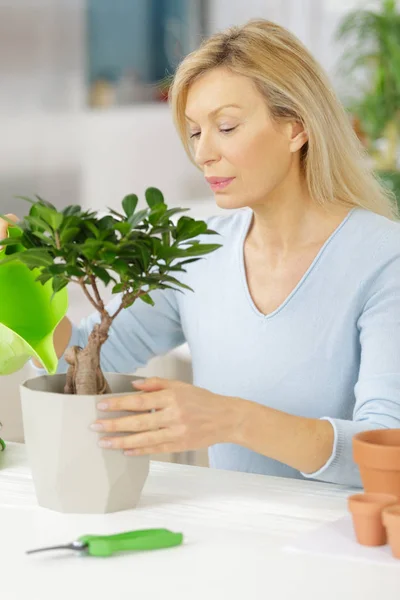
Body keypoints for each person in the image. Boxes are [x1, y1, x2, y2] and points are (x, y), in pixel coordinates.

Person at [2, 19, 400, 487]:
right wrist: (17, 273)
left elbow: (386, 449)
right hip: (232, 531)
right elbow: (87, 360)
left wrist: (233, 419)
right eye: (194, 132)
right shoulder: (198, 252)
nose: (203, 153)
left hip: (346, 542)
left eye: (226, 126)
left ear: (296, 129)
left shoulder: (383, 259)